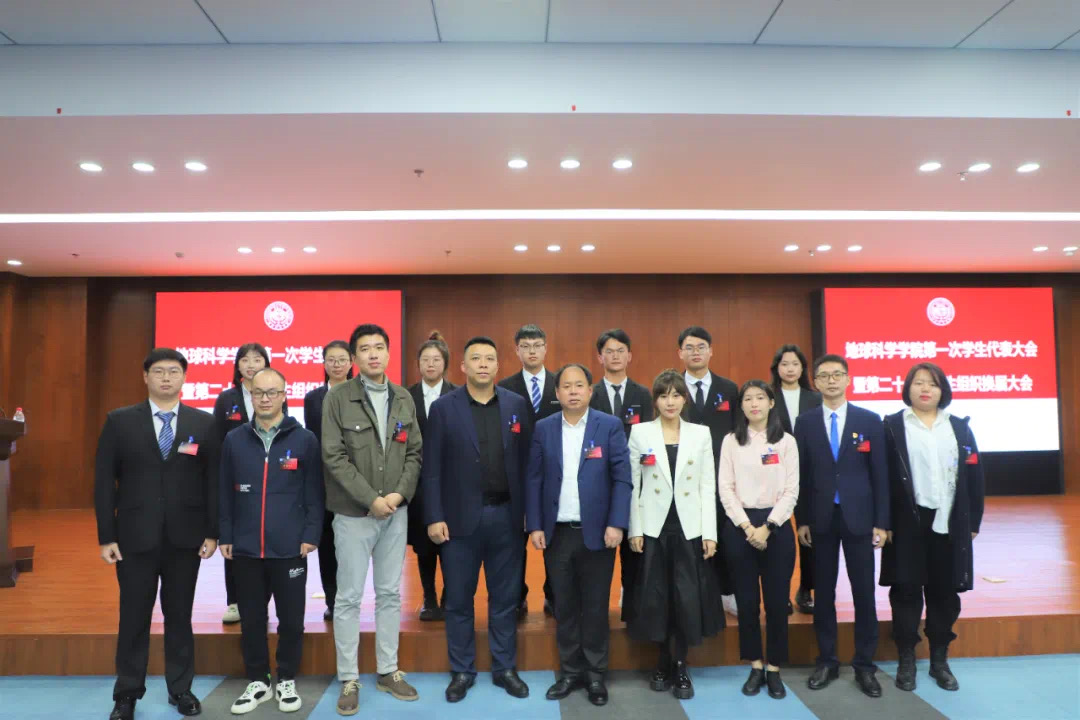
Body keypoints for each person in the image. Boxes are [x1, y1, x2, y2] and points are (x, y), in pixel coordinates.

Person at [94, 348, 219, 720]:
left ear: (184, 378)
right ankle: (126, 695)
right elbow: (104, 482)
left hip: (186, 538)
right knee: (133, 617)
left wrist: (212, 532)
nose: (166, 377)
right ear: (145, 377)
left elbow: (212, 481)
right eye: (159, 371)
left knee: (179, 616)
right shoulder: (119, 421)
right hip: (134, 537)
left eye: (174, 371)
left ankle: (181, 689)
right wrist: (106, 536)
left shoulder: (204, 423)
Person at [422, 336, 533, 703]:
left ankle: (505, 668)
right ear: (463, 367)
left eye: (489, 358)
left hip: (507, 517)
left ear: (498, 366)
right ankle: (462, 671)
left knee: (505, 599)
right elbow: (431, 468)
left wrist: (530, 516)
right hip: (457, 523)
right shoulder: (443, 408)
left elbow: (528, 465)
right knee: (458, 599)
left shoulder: (516, 405)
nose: (483, 364)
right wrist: (434, 516)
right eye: (476, 358)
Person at [321, 323, 423, 714]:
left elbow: (413, 452)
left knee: (390, 593)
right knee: (348, 597)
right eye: (365, 349)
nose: (373, 354)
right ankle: (348, 677)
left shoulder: (403, 398)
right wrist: (371, 499)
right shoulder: (338, 398)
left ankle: (388, 670)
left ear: (389, 352)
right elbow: (334, 457)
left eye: (379, 347)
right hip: (354, 514)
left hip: (395, 512)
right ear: (354, 357)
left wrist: (397, 495)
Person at [219, 367, 324, 715]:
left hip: (290, 547)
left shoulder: (304, 440)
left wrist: (310, 534)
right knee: (251, 619)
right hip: (246, 547)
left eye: (272, 392)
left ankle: (287, 678)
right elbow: (224, 492)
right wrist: (226, 534)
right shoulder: (234, 440)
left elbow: (314, 493)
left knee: (291, 620)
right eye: (259, 392)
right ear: (250, 395)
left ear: (284, 395)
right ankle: (259, 681)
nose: (265, 399)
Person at [526, 363, 632, 707]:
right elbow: (534, 479)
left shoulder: (609, 425)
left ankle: (596, 674)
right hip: (557, 533)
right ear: (557, 393)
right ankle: (571, 672)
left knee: (596, 606)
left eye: (579, 385)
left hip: (599, 533)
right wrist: (535, 525)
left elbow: (622, 478)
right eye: (566, 386)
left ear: (590, 390)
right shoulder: (544, 428)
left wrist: (617, 523)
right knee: (565, 605)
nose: (573, 391)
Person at [881, 362, 985, 692]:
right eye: (918, 382)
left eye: (933, 384)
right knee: (906, 591)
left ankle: (940, 661)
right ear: (907, 388)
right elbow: (882, 479)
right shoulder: (892, 426)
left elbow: (975, 476)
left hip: (949, 522)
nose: (925, 389)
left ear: (943, 391)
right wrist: (883, 522)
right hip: (905, 524)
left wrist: (973, 522)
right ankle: (907, 659)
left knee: (944, 593)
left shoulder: (959, 428)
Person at [794, 354, 888, 698]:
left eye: (837, 375)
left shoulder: (869, 420)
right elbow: (801, 475)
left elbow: (880, 474)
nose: (831, 381)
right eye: (824, 376)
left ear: (848, 379)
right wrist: (802, 519)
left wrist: (882, 522)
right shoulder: (805, 422)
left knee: (864, 593)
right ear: (815, 382)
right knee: (824, 593)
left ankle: (865, 665)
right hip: (820, 519)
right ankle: (827, 660)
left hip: (860, 518)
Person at [627, 369, 722, 700]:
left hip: (689, 528)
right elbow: (633, 485)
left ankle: (680, 664)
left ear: (685, 399)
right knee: (657, 599)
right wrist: (635, 528)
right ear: (655, 400)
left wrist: (710, 533)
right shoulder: (640, 433)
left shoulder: (700, 434)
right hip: (653, 528)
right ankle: (661, 661)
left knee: (685, 599)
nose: (670, 402)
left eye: (676, 395)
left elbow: (707, 485)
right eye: (664, 395)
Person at [718, 380, 799, 700]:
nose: (754, 404)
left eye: (760, 398)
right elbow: (725, 488)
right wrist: (746, 526)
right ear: (741, 406)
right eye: (748, 399)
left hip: (776, 527)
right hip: (740, 528)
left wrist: (768, 526)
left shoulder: (786, 442)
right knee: (747, 603)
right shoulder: (731, 441)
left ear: (771, 403)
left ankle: (774, 668)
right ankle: (754, 665)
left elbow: (791, 490)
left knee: (777, 603)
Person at [212, 343, 284, 625]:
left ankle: (262, 600)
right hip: (236, 480)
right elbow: (218, 440)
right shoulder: (226, 398)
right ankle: (234, 602)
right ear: (237, 366)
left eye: (257, 359)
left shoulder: (276, 395)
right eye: (245, 360)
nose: (251, 365)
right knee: (234, 542)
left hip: (267, 479)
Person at [589, 328, 653, 617]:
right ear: (599, 357)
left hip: (636, 484)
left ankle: (633, 608)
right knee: (600, 553)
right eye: (609, 351)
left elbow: (650, 439)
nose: (615, 356)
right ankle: (596, 611)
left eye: (620, 351)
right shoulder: (591, 394)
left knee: (634, 550)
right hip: (598, 484)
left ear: (630, 356)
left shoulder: (643, 394)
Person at [498, 324, 558, 619]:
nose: (532, 351)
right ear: (517, 350)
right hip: (516, 477)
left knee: (554, 539)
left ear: (545, 348)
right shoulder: (504, 387)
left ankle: (554, 595)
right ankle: (516, 596)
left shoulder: (561, 384)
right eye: (526, 346)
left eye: (537, 345)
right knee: (514, 541)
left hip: (555, 475)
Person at [678, 326, 739, 613]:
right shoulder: (672, 388)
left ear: (711, 351)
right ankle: (694, 597)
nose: (695, 352)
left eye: (701, 347)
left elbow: (739, 434)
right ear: (680, 353)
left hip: (722, 476)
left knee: (724, 535)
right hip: (684, 476)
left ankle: (727, 591)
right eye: (689, 347)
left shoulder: (729, 389)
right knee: (689, 537)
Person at [407, 331, 456, 621]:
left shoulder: (457, 395)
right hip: (417, 484)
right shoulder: (405, 396)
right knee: (424, 546)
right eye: (425, 360)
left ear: (445, 363)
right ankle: (429, 597)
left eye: (436, 359)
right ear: (418, 364)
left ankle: (449, 597)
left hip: (450, 483)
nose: (430, 364)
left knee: (451, 544)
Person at [769, 344, 822, 615]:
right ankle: (779, 593)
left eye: (795, 364)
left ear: (803, 369)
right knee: (777, 534)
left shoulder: (816, 398)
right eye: (784, 364)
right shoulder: (767, 398)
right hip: (775, 473)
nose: (790, 369)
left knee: (809, 532)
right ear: (776, 368)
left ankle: (806, 588)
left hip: (811, 474)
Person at [303, 340, 353, 621]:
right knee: (327, 543)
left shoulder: (360, 394)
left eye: (342, 359)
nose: (336, 364)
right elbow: (313, 439)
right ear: (324, 364)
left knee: (351, 545)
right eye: (331, 360)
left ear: (351, 363)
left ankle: (349, 598)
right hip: (323, 481)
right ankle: (332, 599)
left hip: (354, 482)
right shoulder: (313, 398)